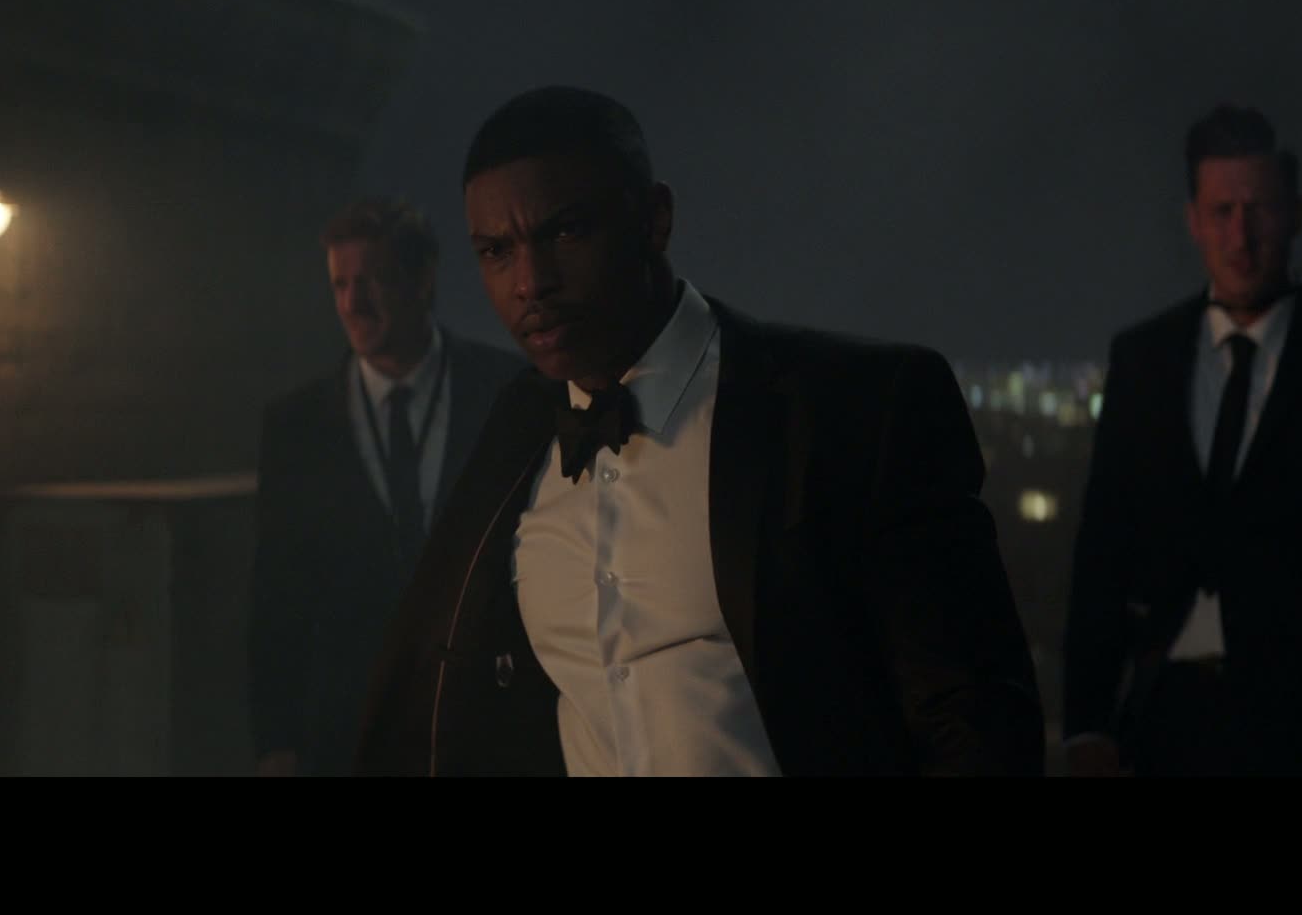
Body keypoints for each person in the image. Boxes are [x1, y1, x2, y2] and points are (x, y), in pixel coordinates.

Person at [352, 86, 1043, 776]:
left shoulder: (854, 407)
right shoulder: (517, 428)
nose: (531, 282)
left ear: (654, 220)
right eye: (496, 251)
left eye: (567, 231)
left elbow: (974, 722)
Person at [1063, 104, 1302, 777]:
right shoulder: (1143, 360)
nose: (1241, 235)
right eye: (1222, 211)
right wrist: (1086, 723)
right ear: (1193, 220)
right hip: (1165, 729)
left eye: (1258, 209)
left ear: (1296, 214)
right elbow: (1103, 554)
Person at [249, 199, 526, 777]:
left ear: (422, 280)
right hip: (349, 735)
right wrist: (275, 743)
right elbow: (277, 593)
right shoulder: (296, 426)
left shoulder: (505, 393)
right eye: (340, 284)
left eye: (371, 280)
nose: (352, 303)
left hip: (487, 726)